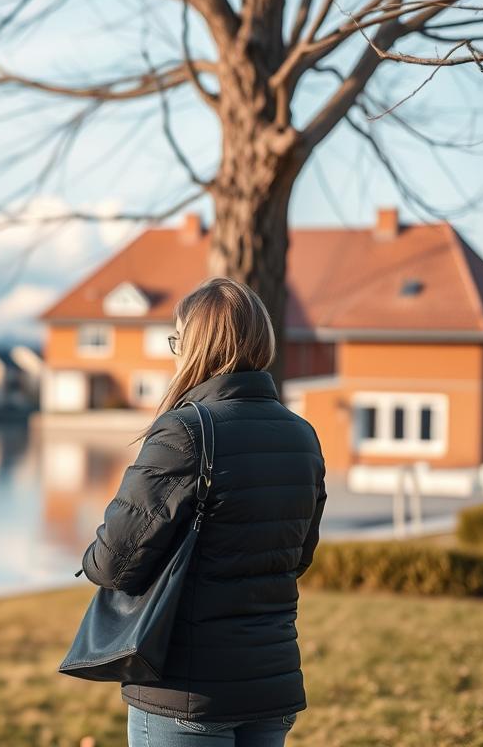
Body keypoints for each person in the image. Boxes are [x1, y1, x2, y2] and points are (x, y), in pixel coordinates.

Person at [79, 277, 327, 747]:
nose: (175, 352)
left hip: (187, 689)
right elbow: (297, 557)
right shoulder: (302, 434)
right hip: (269, 683)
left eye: (178, 340)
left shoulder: (185, 431)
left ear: (196, 346)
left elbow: (112, 562)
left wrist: (92, 557)